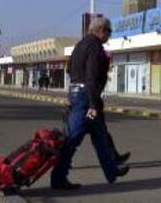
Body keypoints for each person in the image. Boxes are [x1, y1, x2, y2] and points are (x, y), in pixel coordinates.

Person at [50, 17, 129, 190]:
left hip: (79, 94)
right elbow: (91, 77)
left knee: (100, 136)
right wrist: (93, 104)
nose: (109, 34)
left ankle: (112, 171)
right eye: (109, 31)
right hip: (86, 99)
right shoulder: (94, 47)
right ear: (100, 30)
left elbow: (70, 69)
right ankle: (58, 178)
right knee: (72, 139)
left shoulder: (80, 45)